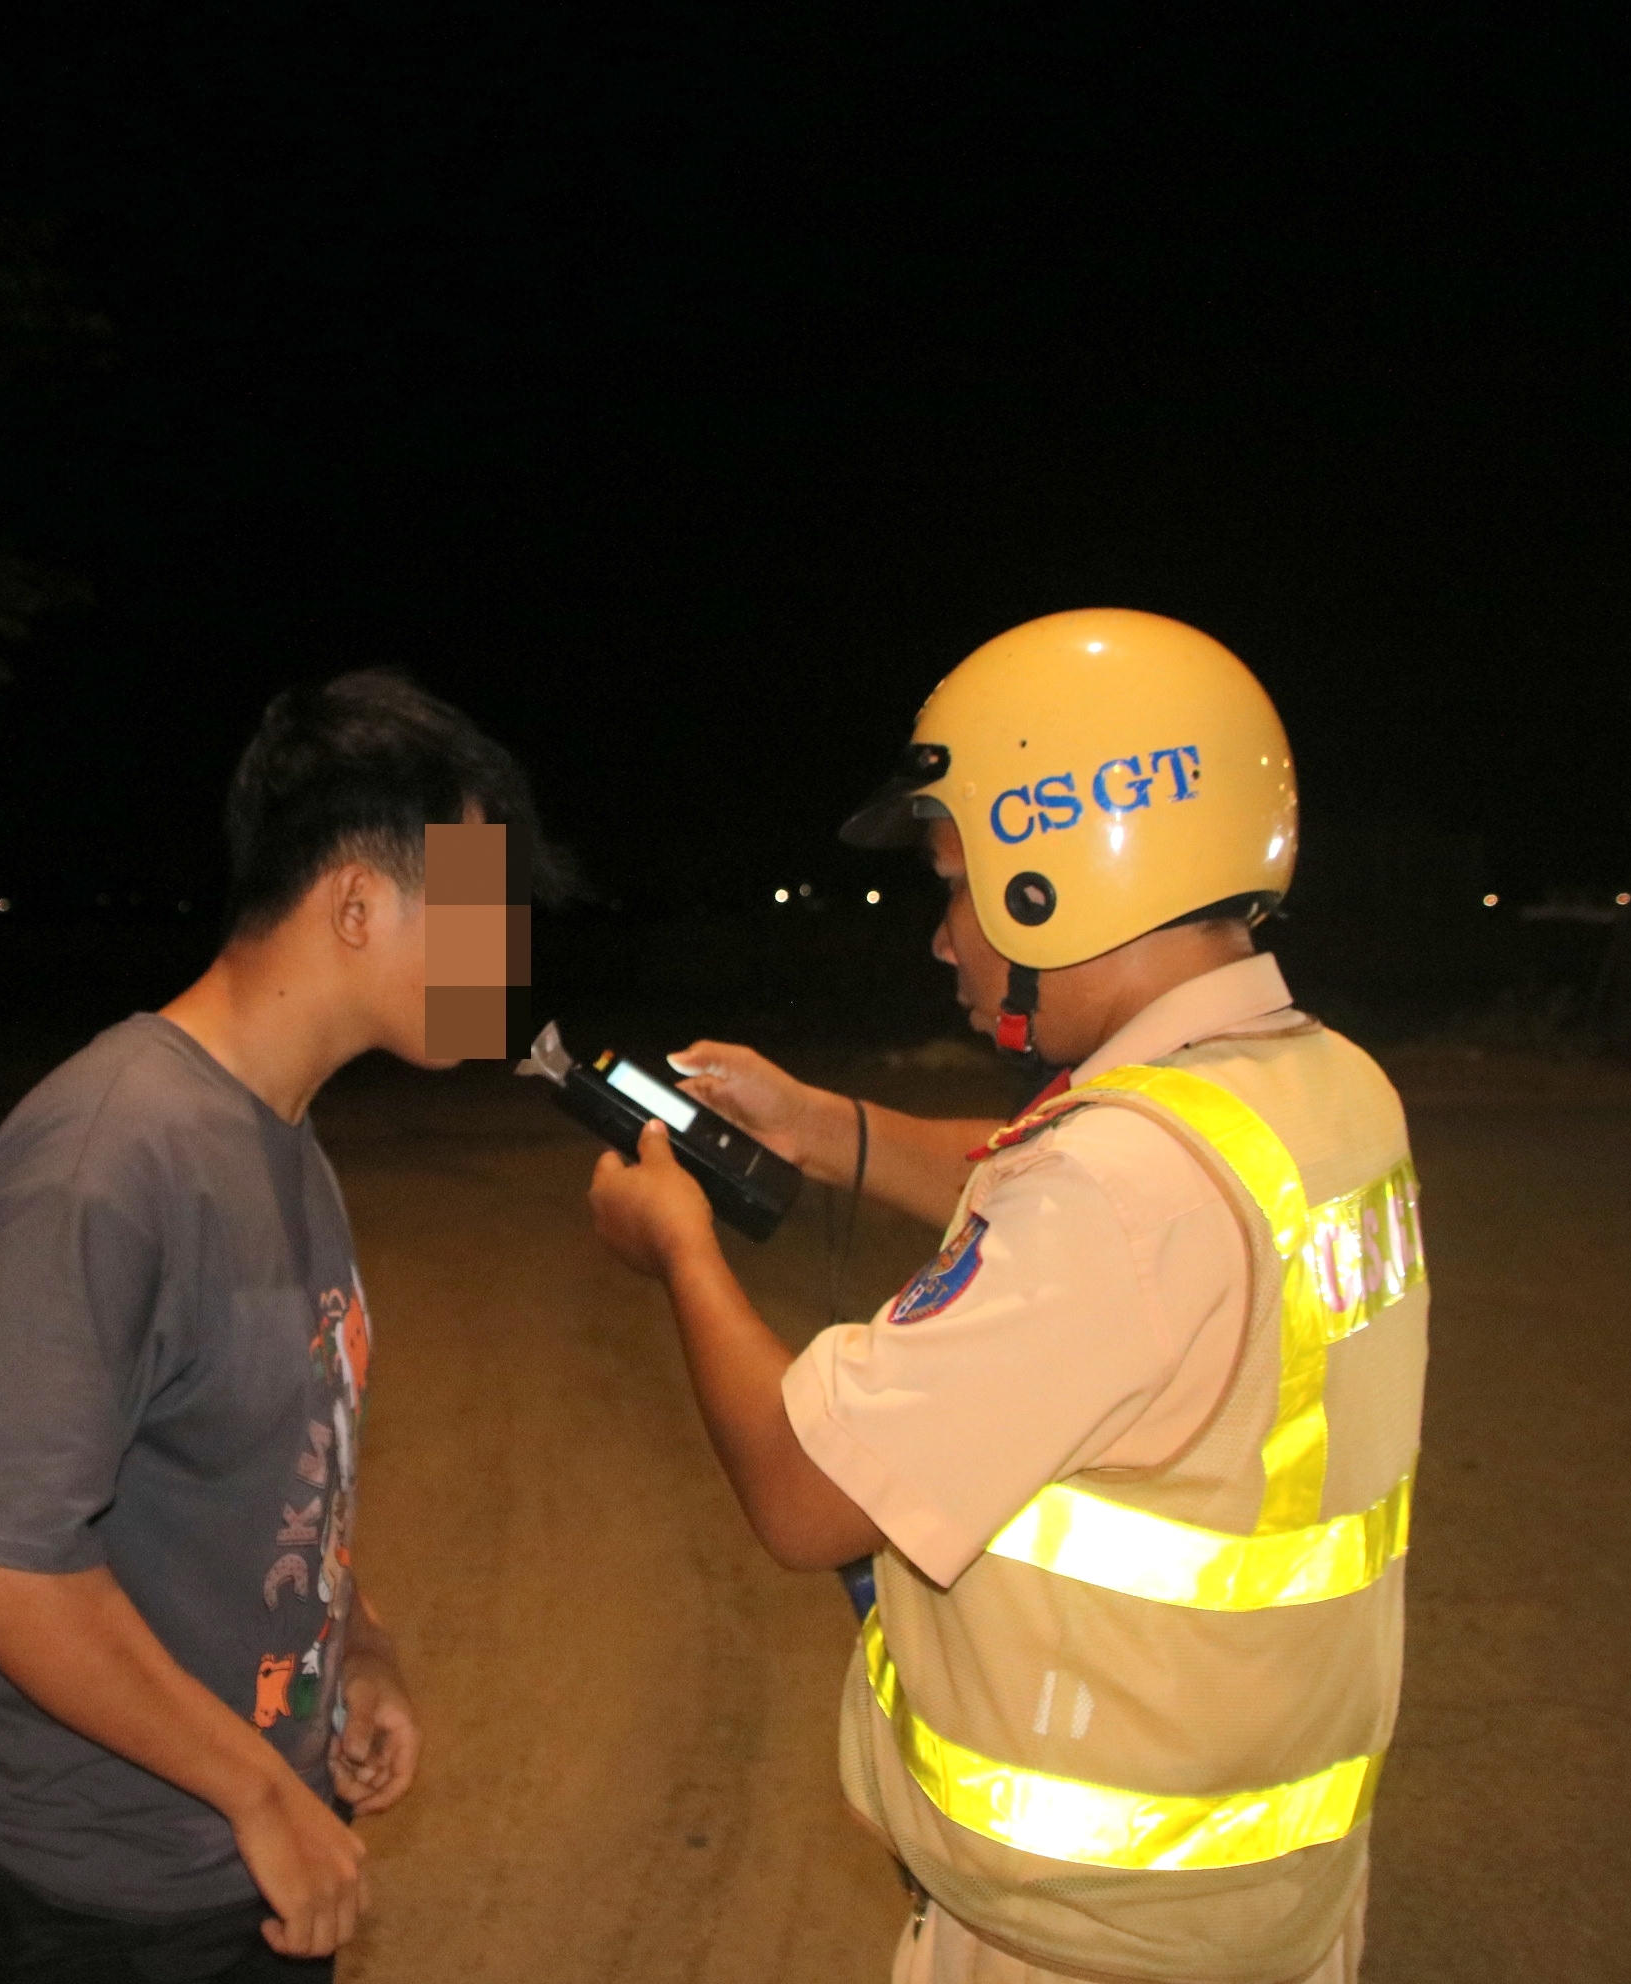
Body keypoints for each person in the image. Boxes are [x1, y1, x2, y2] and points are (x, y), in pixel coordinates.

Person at [586, 609, 1425, 1984]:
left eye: (956, 883)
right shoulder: (1321, 1093)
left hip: (1088, 1938)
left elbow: (803, 1493)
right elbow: (1080, 1222)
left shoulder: (1117, 1185)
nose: (943, 940)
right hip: (1258, 1894)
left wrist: (681, 1247)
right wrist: (822, 1128)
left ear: (1057, 871)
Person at [0, 670, 567, 1982]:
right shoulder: (106, 1157)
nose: (505, 956)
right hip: (76, 1906)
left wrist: (359, 1649)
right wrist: (258, 1792)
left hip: (228, 1871)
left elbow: (270, 1481)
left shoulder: (281, 1142)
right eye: (484, 913)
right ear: (357, 906)